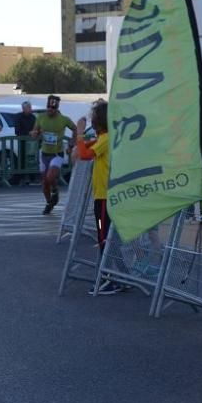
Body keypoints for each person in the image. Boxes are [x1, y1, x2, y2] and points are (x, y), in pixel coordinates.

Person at [76, 104, 122, 294]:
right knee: (106, 237)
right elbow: (87, 147)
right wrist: (82, 140)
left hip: (104, 198)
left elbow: (85, 154)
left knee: (104, 236)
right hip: (102, 196)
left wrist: (79, 134)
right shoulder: (104, 138)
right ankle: (116, 274)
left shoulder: (106, 138)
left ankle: (110, 277)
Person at [31, 95, 76, 214]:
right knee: (44, 183)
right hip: (44, 153)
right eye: (48, 108)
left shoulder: (63, 119)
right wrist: (35, 133)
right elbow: (35, 132)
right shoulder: (41, 117)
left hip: (57, 154)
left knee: (50, 177)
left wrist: (71, 145)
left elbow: (75, 129)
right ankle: (49, 202)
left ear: (57, 109)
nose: (50, 110)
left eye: (52, 108)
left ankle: (55, 190)